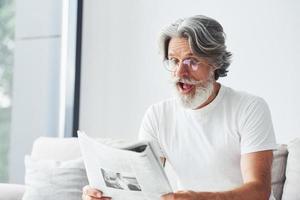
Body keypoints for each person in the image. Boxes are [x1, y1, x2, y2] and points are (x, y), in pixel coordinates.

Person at [82, 15, 277, 200]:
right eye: (174, 60)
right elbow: (145, 188)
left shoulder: (250, 108)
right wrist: (106, 194)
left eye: (192, 61)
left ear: (215, 63)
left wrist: (200, 198)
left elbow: (259, 190)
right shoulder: (158, 116)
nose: (180, 72)